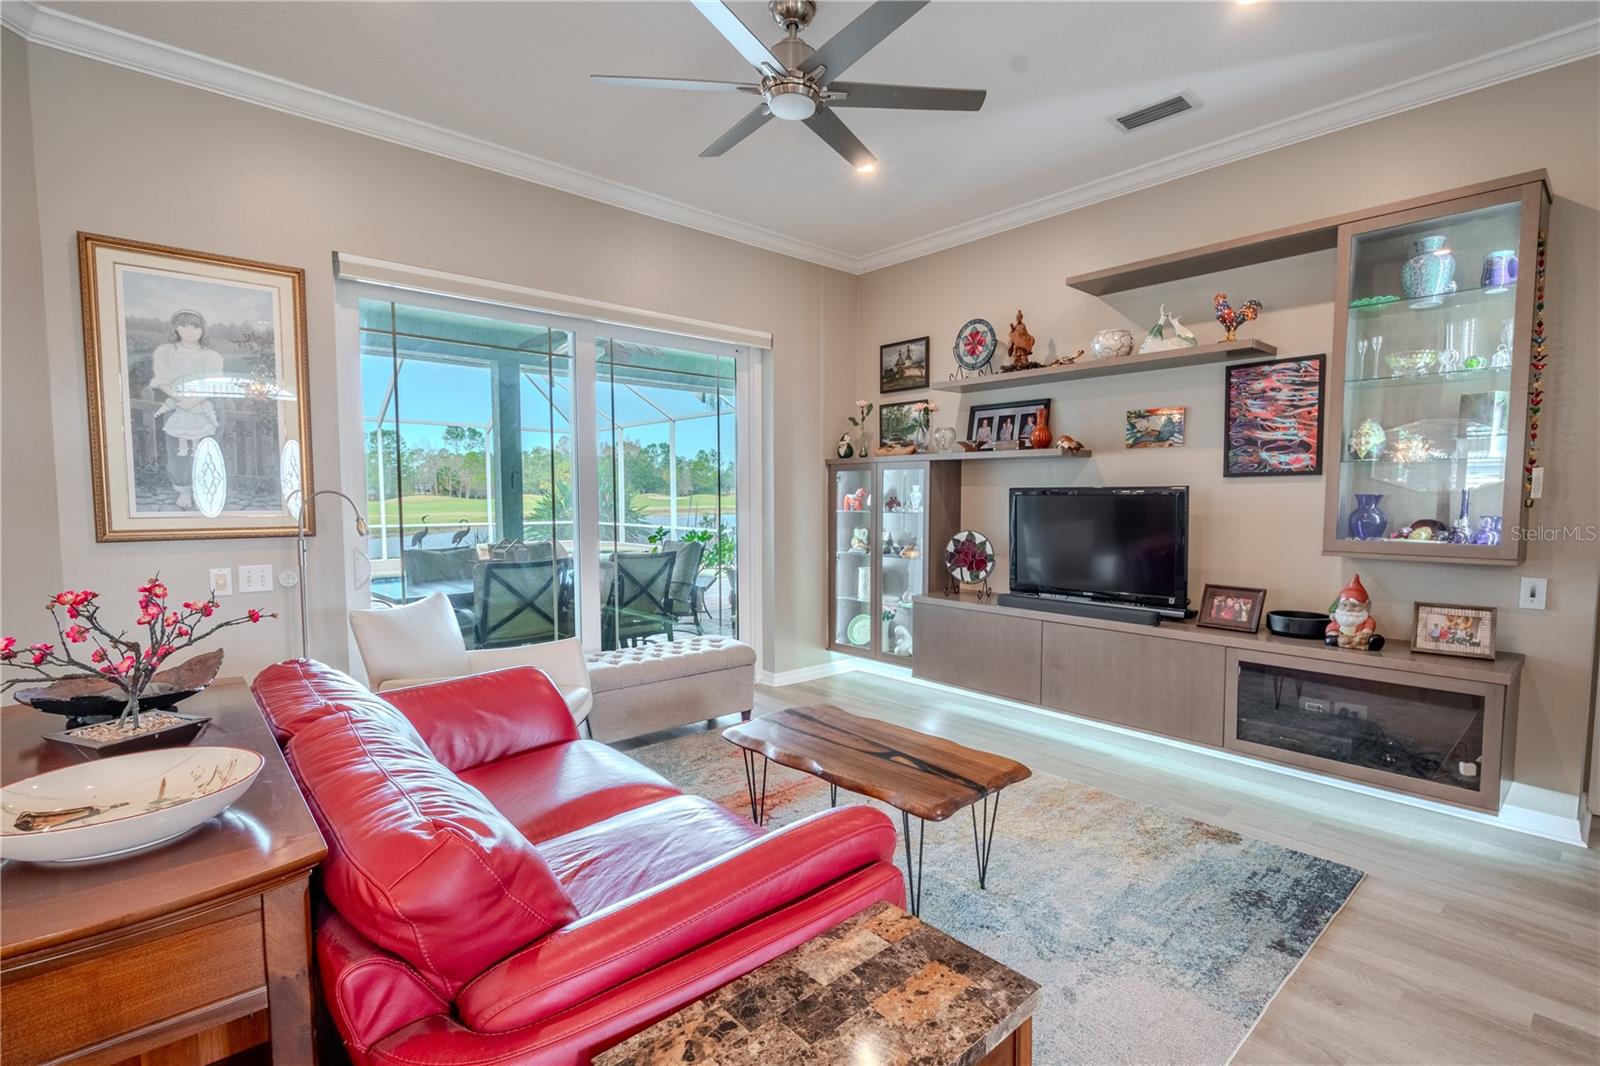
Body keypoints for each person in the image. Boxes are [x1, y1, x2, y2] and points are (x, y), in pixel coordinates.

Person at [148, 310, 224, 510]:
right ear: (175, 327)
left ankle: (206, 489)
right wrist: (180, 399)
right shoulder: (165, 352)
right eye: (184, 326)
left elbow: (213, 382)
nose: (190, 331)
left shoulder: (212, 356)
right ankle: (184, 492)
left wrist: (195, 401)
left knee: (206, 448)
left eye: (195, 327)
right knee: (180, 450)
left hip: (206, 405)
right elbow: (163, 379)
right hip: (178, 405)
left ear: (202, 329)